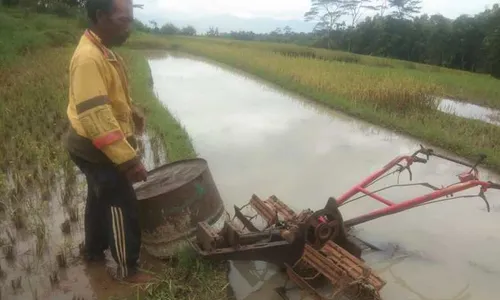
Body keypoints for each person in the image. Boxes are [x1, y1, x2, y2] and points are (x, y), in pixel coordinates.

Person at [63, 0, 153, 283]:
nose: (129, 27)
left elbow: (109, 101)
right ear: (100, 16)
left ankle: (92, 253)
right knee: (121, 206)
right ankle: (129, 271)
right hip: (96, 148)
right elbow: (97, 117)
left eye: (131, 20)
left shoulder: (103, 51)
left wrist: (131, 113)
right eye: (123, 20)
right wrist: (129, 161)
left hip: (90, 145)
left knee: (98, 198)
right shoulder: (89, 58)